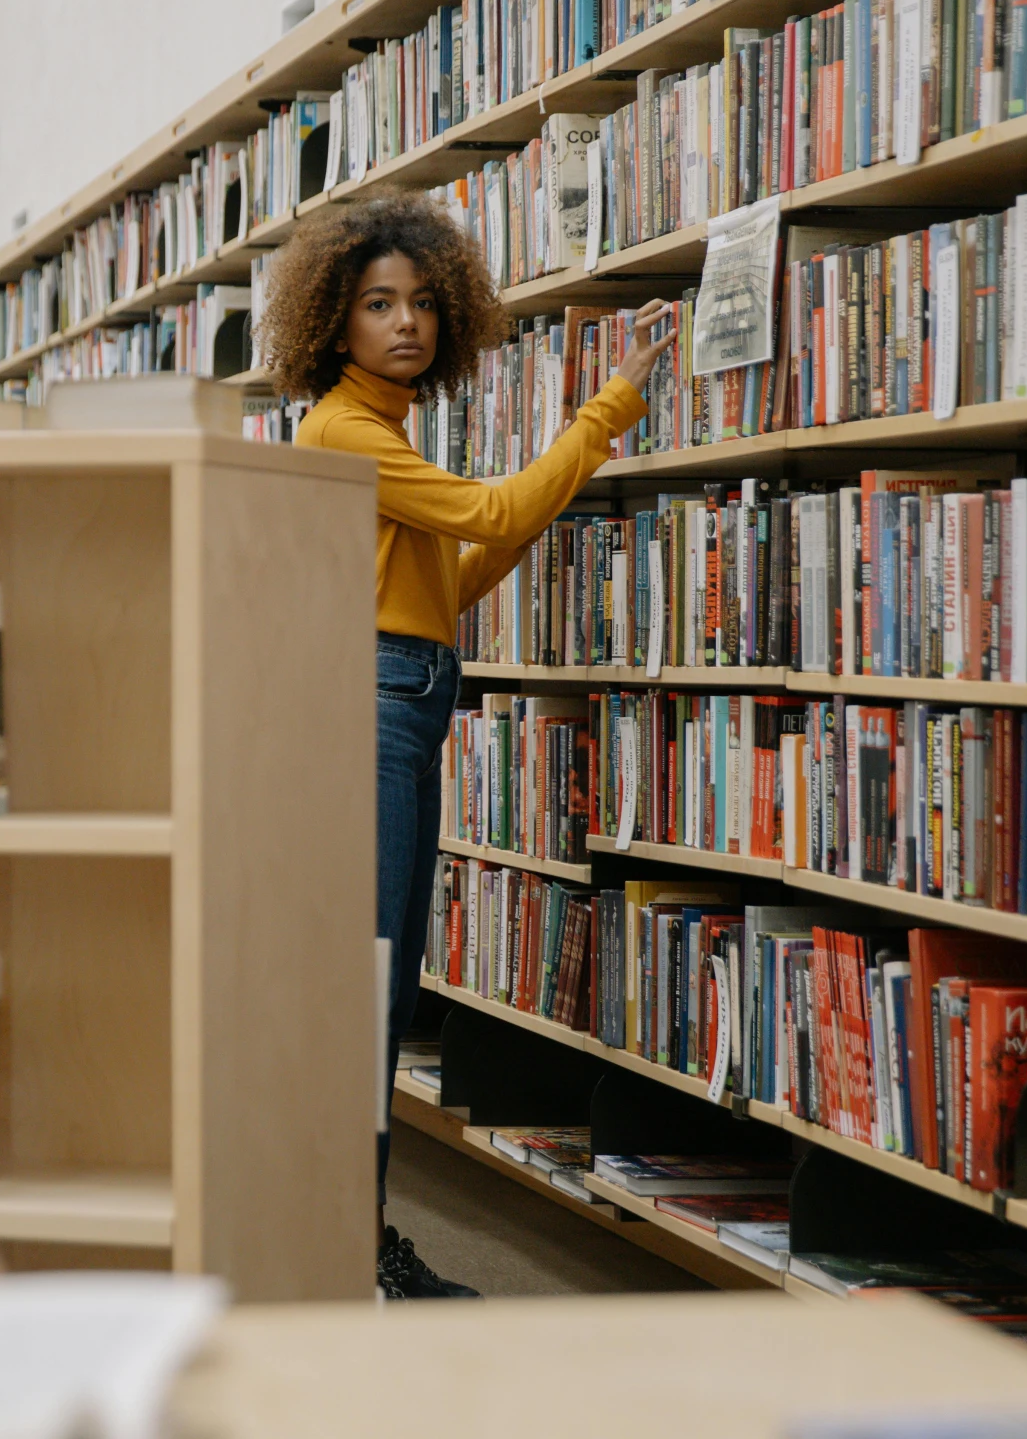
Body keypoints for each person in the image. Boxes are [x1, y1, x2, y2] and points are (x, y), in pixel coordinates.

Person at [270, 193, 674, 1300]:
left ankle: (355, 1241)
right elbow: (493, 517)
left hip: (404, 693)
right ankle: (348, 1249)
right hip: (376, 707)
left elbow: (455, 576)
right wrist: (607, 414)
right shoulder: (347, 429)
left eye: (419, 304)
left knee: (383, 985)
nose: (405, 324)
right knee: (370, 990)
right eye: (375, 305)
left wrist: (544, 501)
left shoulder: (380, 430)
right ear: (332, 323)